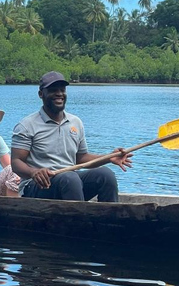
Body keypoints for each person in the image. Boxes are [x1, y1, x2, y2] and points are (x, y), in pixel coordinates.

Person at [10, 71, 132, 202]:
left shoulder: (75, 122)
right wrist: (33, 172)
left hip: (70, 183)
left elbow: (81, 158)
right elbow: (16, 162)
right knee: (70, 178)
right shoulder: (26, 125)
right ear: (41, 94)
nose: (59, 94)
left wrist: (109, 158)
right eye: (53, 90)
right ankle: (79, 221)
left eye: (62, 90)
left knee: (105, 175)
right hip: (37, 186)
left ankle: (109, 220)